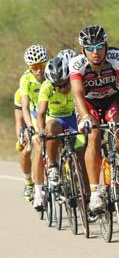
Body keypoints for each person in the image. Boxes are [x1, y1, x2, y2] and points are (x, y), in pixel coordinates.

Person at [70, 25, 119, 214]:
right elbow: (77, 94)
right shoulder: (77, 64)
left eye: (99, 46)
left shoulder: (117, 58)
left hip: (111, 100)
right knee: (93, 135)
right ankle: (94, 193)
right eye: (90, 48)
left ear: (106, 45)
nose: (95, 52)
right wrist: (85, 116)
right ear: (83, 49)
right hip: (89, 103)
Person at [37, 56, 79, 186]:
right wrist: (42, 130)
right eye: (57, 86)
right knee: (51, 128)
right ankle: (53, 166)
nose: (62, 89)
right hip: (55, 119)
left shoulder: (76, 81)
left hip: (73, 117)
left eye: (65, 84)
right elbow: (41, 114)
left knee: (81, 151)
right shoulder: (46, 87)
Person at [19, 44, 48, 210]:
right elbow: (25, 106)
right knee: (35, 145)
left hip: (52, 111)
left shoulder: (51, 73)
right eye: (35, 67)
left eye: (41, 66)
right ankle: (34, 188)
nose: (39, 71)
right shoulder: (25, 79)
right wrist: (30, 126)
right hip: (35, 113)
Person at [14, 87, 33, 201]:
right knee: (25, 150)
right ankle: (28, 182)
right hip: (28, 124)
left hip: (44, 120)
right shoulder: (20, 94)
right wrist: (21, 138)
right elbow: (19, 121)